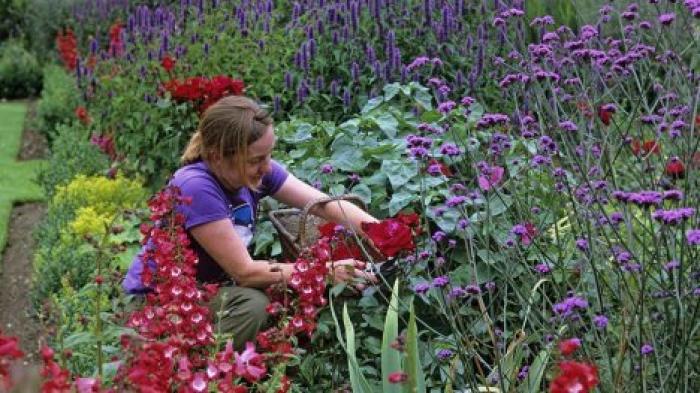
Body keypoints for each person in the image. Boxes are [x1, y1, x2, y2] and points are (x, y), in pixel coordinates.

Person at [123, 95, 378, 350]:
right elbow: (244, 273)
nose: (267, 168)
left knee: (279, 291)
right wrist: (325, 271)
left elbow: (324, 205)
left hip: (207, 290)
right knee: (253, 306)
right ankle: (187, 366)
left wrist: (384, 232)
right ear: (217, 156)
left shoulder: (253, 169)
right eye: (256, 160)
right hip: (159, 303)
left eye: (268, 155)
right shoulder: (196, 186)